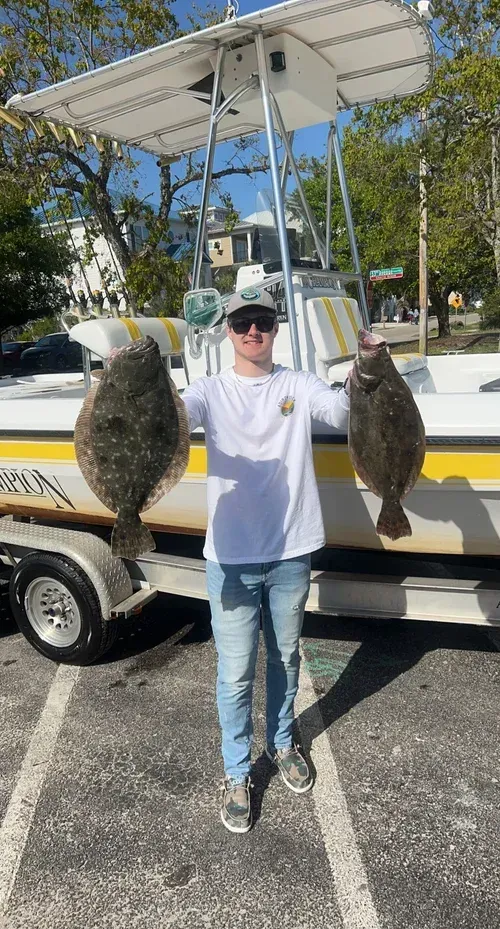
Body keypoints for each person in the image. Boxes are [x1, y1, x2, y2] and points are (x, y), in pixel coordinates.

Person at [182, 287, 350, 834]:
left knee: (285, 660)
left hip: (290, 551)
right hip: (229, 558)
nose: (253, 331)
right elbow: (176, 415)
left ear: (277, 327)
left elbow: (340, 407)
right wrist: (135, 383)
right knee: (234, 676)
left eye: (263, 321)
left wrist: (368, 370)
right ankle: (235, 773)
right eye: (242, 323)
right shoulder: (209, 390)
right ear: (227, 331)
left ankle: (280, 744)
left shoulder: (297, 384)